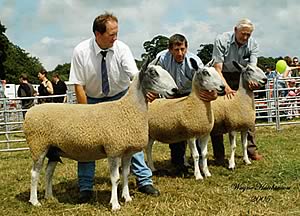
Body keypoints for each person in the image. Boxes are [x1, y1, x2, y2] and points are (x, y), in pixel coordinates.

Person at [69, 12, 159, 203]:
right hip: (92, 99)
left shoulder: (121, 49)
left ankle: (144, 180)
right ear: (98, 34)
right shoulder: (80, 51)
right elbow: (78, 85)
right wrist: (86, 114)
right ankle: (85, 186)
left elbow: (135, 76)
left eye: (117, 33)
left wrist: (146, 91)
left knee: (131, 139)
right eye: (112, 34)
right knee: (87, 142)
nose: (115, 38)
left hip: (120, 98)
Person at [153, 33, 217, 173]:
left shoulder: (194, 61)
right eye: (176, 50)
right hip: (171, 94)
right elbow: (153, 73)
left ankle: (200, 162)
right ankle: (178, 162)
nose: (180, 53)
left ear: (186, 48)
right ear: (170, 50)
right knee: (175, 127)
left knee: (198, 127)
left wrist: (212, 93)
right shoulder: (161, 58)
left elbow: (204, 78)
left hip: (191, 94)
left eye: (182, 49)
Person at [211, 18, 263, 163]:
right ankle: (219, 155)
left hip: (243, 75)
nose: (245, 38)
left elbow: (252, 68)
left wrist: (253, 82)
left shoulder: (253, 45)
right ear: (235, 30)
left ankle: (251, 150)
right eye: (243, 34)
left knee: (248, 113)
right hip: (221, 75)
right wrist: (226, 88)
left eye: (248, 35)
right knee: (218, 113)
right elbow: (217, 68)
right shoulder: (221, 40)